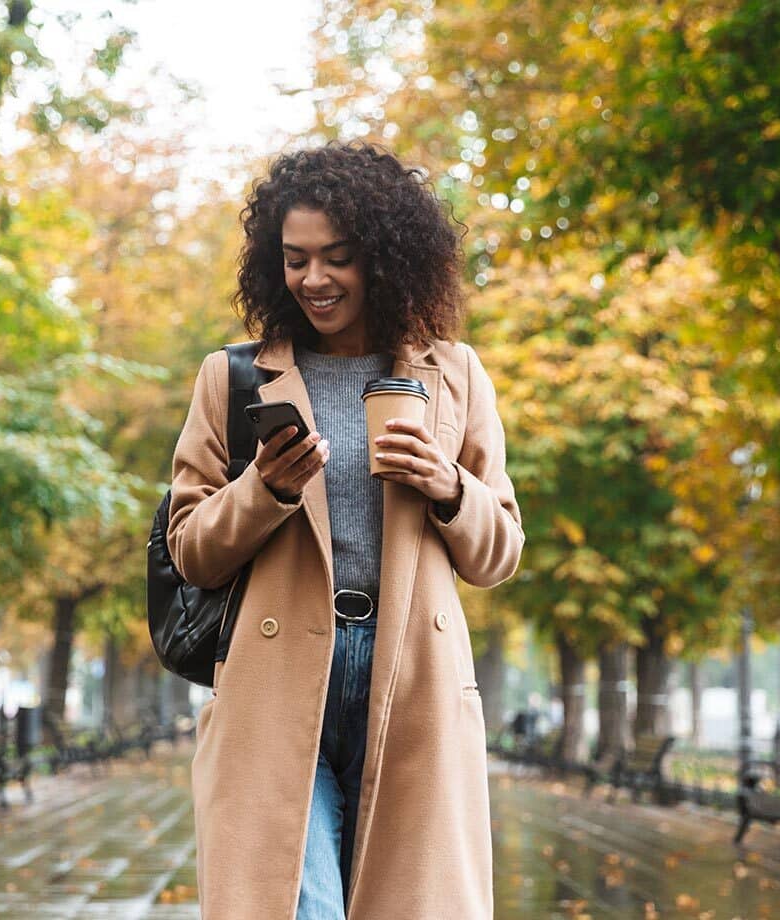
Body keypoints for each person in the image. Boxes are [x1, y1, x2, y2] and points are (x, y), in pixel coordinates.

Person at [166, 142, 523, 920]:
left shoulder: (455, 374)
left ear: (385, 258)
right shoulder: (233, 377)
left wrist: (448, 485)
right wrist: (264, 489)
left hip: (413, 678)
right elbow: (190, 549)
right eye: (295, 259)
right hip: (276, 679)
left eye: (337, 257)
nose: (314, 279)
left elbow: (499, 554)